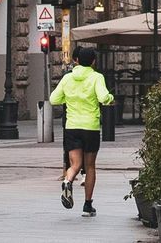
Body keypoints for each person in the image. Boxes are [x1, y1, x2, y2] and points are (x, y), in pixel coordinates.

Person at [49, 45, 115, 216]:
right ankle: (87, 205)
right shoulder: (96, 77)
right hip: (90, 127)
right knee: (90, 166)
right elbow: (103, 97)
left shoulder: (67, 78)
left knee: (75, 164)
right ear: (93, 61)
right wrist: (110, 98)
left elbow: (53, 99)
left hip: (72, 126)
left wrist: (67, 97)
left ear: (77, 60)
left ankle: (67, 180)